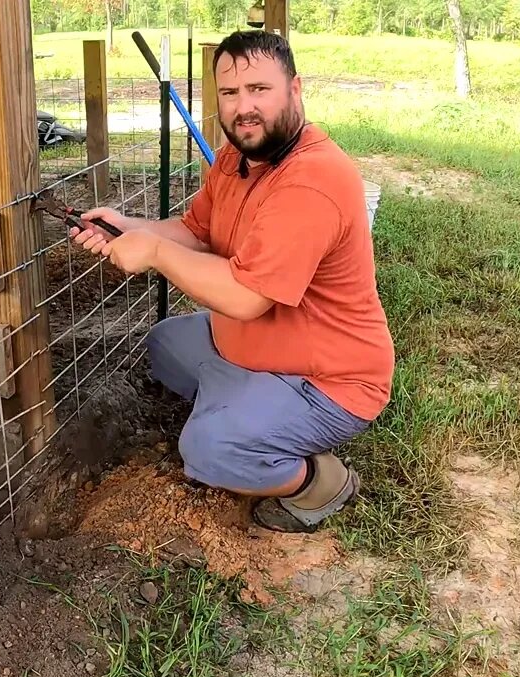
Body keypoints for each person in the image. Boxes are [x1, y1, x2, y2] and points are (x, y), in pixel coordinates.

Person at [68, 29, 394, 533]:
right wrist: (128, 226)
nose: (244, 107)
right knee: (166, 344)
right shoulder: (236, 157)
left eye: (259, 90)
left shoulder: (312, 182)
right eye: (230, 93)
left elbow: (245, 298)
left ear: (295, 88)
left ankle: (318, 480)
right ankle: (253, 411)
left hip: (330, 381)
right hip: (264, 351)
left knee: (207, 450)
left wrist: (154, 252)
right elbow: (197, 232)